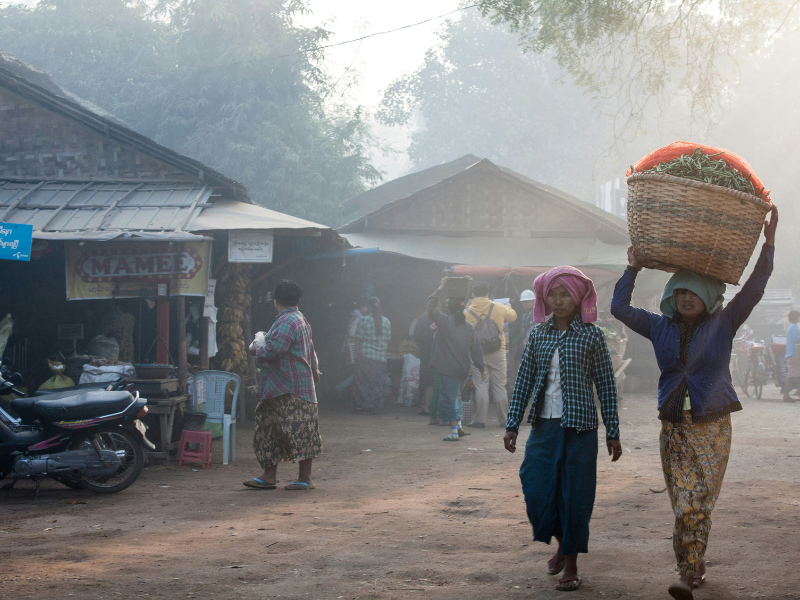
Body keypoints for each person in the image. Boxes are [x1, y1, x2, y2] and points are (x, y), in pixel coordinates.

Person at [610, 205, 778, 600]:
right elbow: (618, 308)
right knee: (682, 501)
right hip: (673, 423)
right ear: (671, 297)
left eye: (694, 292)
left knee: (696, 500)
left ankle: (686, 573)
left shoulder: (725, 323)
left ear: (708, 296)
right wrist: (631, 269)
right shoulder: (658, 325)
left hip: (712, 423)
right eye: (680, 291)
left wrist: (768, 244)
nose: (686, 298)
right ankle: (692, 563)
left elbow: (754, 288)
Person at [505, 266, 621, 593]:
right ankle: (561, 543)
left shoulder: (592, 335)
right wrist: (512, 423)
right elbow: (525, 379)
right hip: (544, 426)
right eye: (552, 295)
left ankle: (570, 564)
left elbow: (606, 386)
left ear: (578, 296)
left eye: (565, 294)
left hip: (580, 428)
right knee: (536, 488)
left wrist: (612, 430)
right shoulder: (538, 334)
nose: (558, 301)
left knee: (574, 497)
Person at [244, 280, 322, 491]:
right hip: (289, 388)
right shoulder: (300, 319)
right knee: (278, 431)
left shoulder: (287, 321)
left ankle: (303, 479)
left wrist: (255, 351)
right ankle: (271, 476)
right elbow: (311, 350)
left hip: (288, 387)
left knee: (290, 431)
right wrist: (315, 371)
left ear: (275, 300)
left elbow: (274, 349)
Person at [427, 278, 486, 441]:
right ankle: (458, 428)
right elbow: (476, 350)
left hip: (448, 370)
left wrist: (440, 287)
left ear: (448, 309)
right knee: (457, 398)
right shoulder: (469, 327)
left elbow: (430, 307)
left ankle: (453, 433)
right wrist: (481, 368)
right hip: (462, 370)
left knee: (448, 400)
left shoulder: (444, 321)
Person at [465, 281, 517, 428]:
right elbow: (513, 317)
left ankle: (480, 420)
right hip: (498, 351)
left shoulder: (467, 313)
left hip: (477, 354)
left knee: (481, 385)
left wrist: (468, 307)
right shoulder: (499, 307)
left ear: (473, 295)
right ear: (488, 293)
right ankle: (505, 420)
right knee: (499, 386)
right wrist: (509, 307)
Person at [352, 297, 391, 414]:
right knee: (378, 383)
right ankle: (376, 407)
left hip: (365, 357)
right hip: (381, 358)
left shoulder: (363, 320)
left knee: (362, 382)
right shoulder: (386, 321)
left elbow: (357, 337)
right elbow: (388, 339)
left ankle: (363, 405)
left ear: (369, 307)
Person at [412, 309, 436, 418]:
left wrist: (422, 345)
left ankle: (425, 406)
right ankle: (432, 406)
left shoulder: (422, 318)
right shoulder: (442, 317)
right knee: (435, 379)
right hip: (439, 352)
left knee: (426, 378)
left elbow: (415, 335)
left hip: (426, 352)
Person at [511, 289, 536, 386]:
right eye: (523, 302)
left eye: (527, 301)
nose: (525, 304)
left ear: (533, 301)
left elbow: (535, 329)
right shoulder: (526, 313)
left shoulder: (536, 313)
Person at [784, 310, 800, 403]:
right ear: (795, 317)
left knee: (792, 375)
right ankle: (787, 396)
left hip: (791, 353)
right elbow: (796, 339)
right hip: (795, 354)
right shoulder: (794, 328)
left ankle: (791, 394)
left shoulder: (790, 327)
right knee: (791, 376)